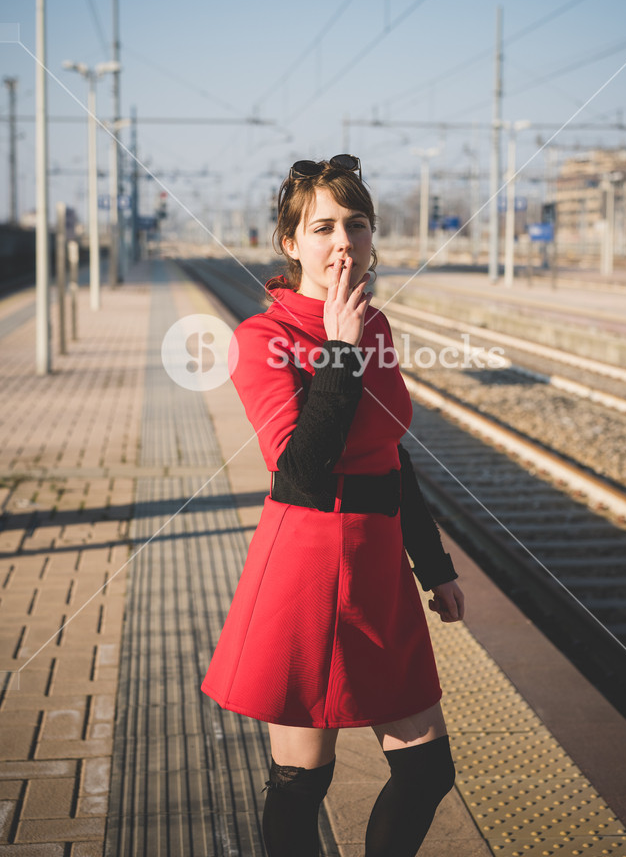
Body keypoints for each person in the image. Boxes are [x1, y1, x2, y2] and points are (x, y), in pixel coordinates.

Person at [202, 154, 465, 857]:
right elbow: (300, 470)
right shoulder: (262, 339)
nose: (343, 240)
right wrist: (340, 354)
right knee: (299, 783)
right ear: (291, 244)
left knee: (426, 768)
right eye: (322, 227)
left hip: (376, 566)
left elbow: (389, 453)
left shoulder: (370, 327)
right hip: (306, 568)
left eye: (356, 223)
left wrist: (434, 563)